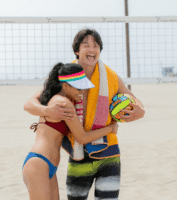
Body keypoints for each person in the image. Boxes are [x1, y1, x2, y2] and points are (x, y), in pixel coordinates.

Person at [24, 29, 145, 200]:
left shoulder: (111, 77)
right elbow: (29, 103)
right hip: (77, 154)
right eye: (86, 45)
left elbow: (133, 98)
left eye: (96, 46)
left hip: (108, 152)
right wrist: (47, 111)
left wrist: (140, 110)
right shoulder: (66, 78)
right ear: (77, 50)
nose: (92, 49)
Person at [22, 62, 119, 200]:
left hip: (47, 166)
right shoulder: (63, 102)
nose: (83, 92)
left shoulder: (54, 95)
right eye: (79, 89)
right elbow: (83, 137)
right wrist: (110, 128)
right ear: (66, 86)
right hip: (39, 163)